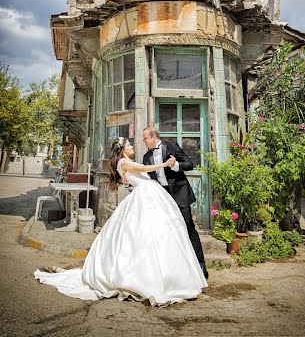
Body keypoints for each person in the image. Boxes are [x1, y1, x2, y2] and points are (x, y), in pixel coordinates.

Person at [34, 138, 207, 305]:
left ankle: (164, 273)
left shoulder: (127, 161)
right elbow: (146, 168)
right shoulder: (124, 162)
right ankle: (146, 277)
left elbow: (136, 175)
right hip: (146, 196)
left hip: (151, 195)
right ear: (123, 148)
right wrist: (163, 164)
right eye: (129, 144)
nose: (132, 145)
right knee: (144, 234)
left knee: (156, 235)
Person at [142, 126, 208, 280]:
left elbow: (190, 164)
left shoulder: (171, 146)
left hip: (180, 194)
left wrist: (176, 165)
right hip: (162, 198)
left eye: (145, 138)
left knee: (188, 228)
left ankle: (201, 267)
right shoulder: (146, 157)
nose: (143, 141)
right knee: (168, 233)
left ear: (153, 136)